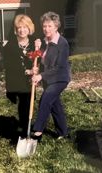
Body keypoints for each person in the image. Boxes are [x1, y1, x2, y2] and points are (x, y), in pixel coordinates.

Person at [31, 11, 71, 141]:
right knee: (54, 105)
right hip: (48, 78)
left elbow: (59, 67)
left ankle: (37, 131)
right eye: (44, 26)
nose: (46, 29)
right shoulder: (43, 41)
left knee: (46, 99)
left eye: (49, 26)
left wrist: (41, 76)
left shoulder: (62, 43)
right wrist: (37, 48)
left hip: (60, 78)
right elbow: (41, 60)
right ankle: (63, 132)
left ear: (56, 26)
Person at [3, 14, 36, 136]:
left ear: (29, 29)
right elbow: (9, 66)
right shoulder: (9, 46)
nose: (22, 30)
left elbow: (41, 61)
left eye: (25, 27)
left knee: (27, 103)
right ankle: (24, 126)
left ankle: (26, 127)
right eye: (19, 27)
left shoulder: (34, 44)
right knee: (24, 103)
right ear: (16, 30)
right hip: (15, 80)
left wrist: (36, 69)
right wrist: (26, 71)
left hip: (30, 81)